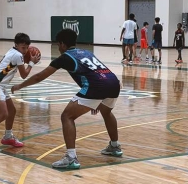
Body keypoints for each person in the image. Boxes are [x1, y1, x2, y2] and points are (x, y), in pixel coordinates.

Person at [12, 29, 122, 170]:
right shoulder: (86, 52)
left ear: (63, 44)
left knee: (67, 116)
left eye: (58, 45)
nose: (58, 48)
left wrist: (20, 86)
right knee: (106, 113)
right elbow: (94, 72)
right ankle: (114, 146)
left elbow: (39, 77)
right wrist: (97, 101)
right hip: (114, 82)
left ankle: (71, 158)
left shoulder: (64, 58)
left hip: (97, 86)